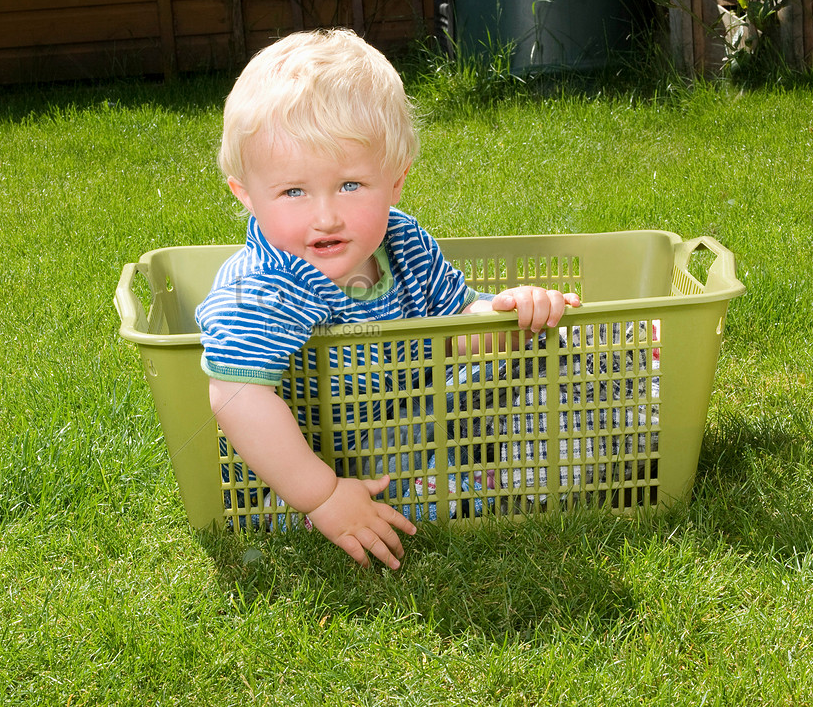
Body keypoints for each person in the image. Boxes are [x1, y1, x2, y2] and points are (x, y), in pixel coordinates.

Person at [195, 29, 580, 570]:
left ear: (395, 182)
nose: (325, 215)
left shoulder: (403, 243)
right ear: (247, 196)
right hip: (312, 463)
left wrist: (506, 313)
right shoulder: (264, 283)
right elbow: (236, 395)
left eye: (351, 185)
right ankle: (494, 475)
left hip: (405, 425)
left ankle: (537, 448)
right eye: (293, 192)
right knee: (378, 488)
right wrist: (323, 496)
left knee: (547, 341)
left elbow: (458, 329)